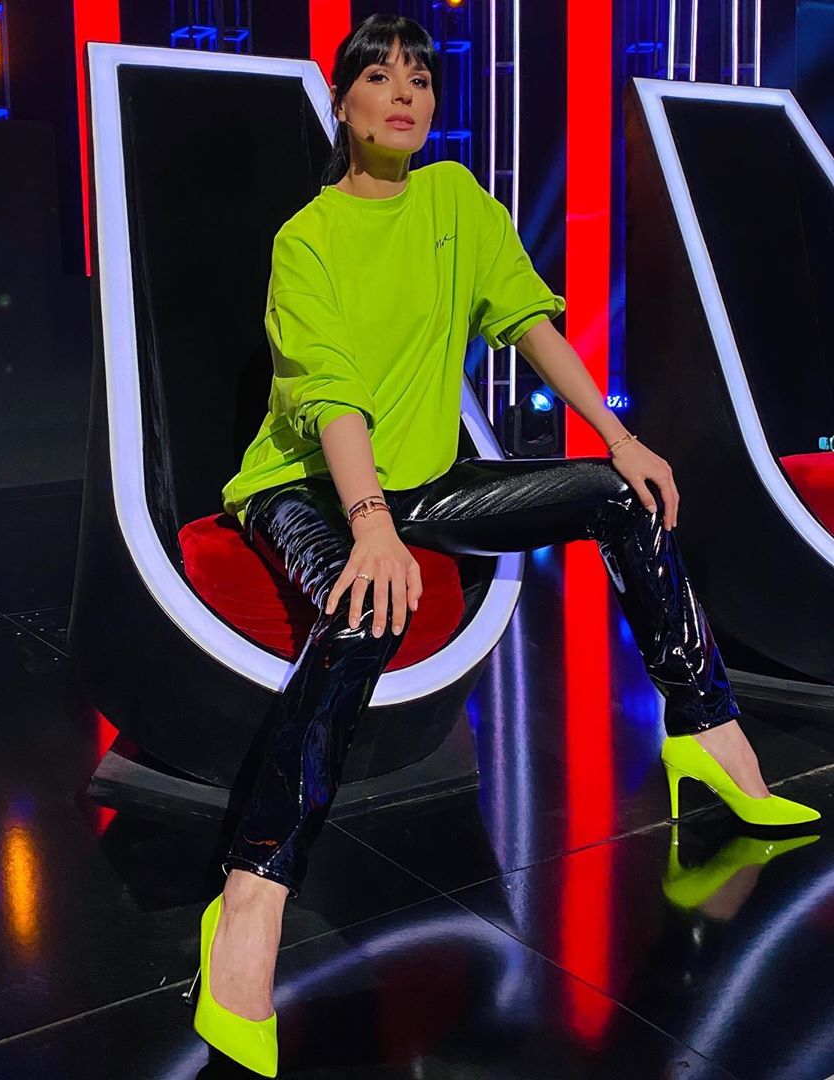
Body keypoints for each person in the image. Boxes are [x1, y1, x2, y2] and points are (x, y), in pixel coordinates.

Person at [184, 14, 821, 1076]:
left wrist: (619, 437)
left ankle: (708, 737)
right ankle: (252, 891)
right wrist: (370, 524)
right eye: (379, 76)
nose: (404, 93)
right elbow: (328, 396)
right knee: (364, 607)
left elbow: (529, 323)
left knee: (622, 497)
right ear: (341, 103)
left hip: (424, 482)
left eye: (421, 78)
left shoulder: (457, 203)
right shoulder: (307, 238)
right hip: (305, 486)